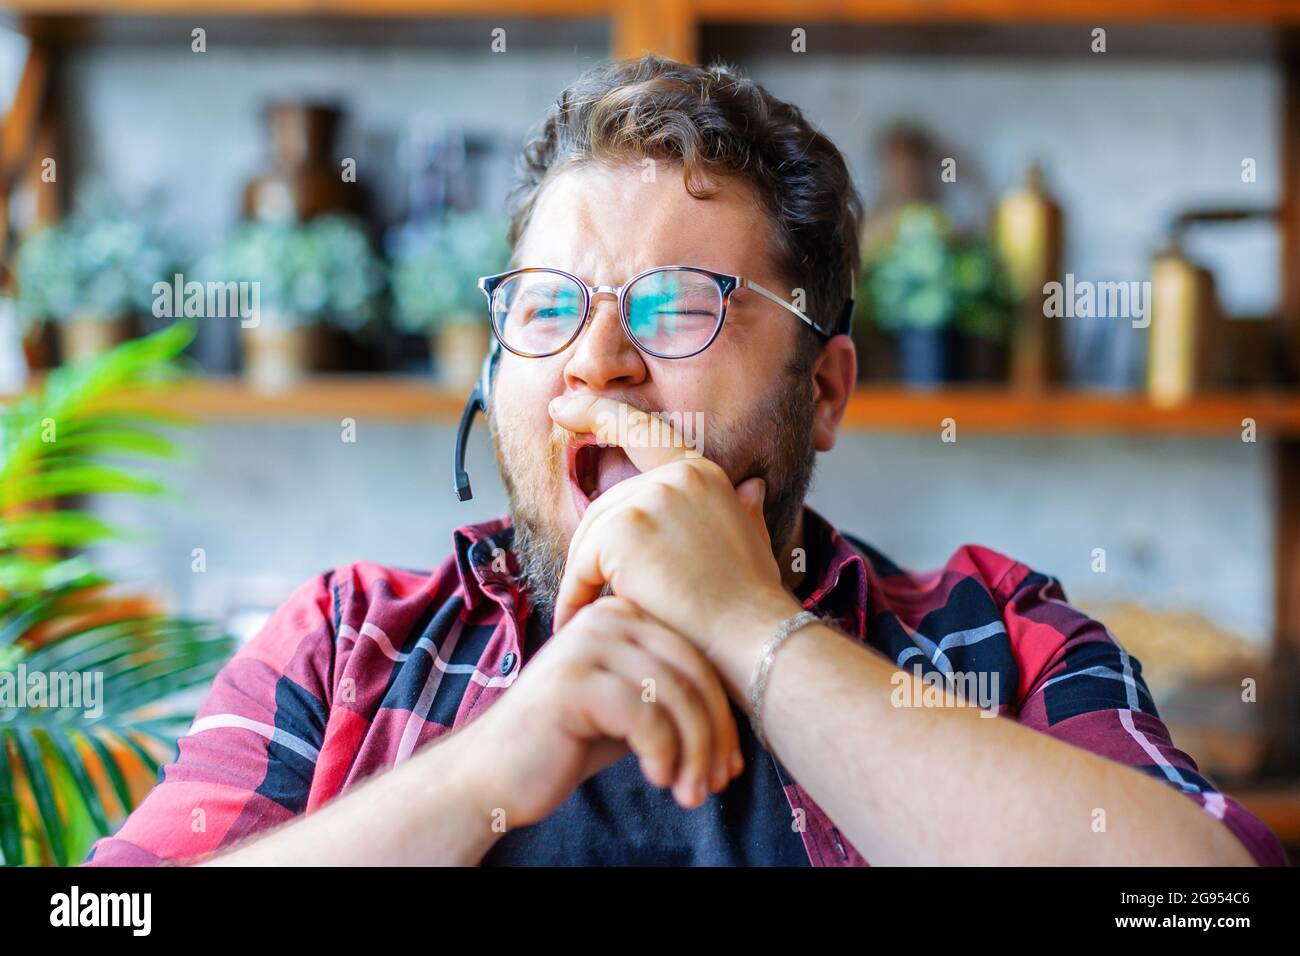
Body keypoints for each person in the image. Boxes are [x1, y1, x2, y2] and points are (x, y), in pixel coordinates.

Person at [87, 55, 1284, 867]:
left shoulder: (998, 638)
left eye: (676, 306)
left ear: (822, 391)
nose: (595, 363)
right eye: (547, 306)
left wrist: (748, 626)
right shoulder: (345, 645)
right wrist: (484, 771)